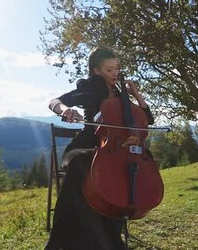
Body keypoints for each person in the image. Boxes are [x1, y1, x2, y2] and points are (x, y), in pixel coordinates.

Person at [45, 48, 154, 250]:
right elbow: (54, 102)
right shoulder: (89, 89)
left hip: (115, 151)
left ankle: (111, 236)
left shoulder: (121, 95)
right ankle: (57, 241)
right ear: (97, 71)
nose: (115, 73)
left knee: (132, 165)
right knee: (82, 162)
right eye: (109, 69)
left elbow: (147, 120)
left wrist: (136, 95)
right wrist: (65, 110)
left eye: (117, 69)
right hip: (85, 146)